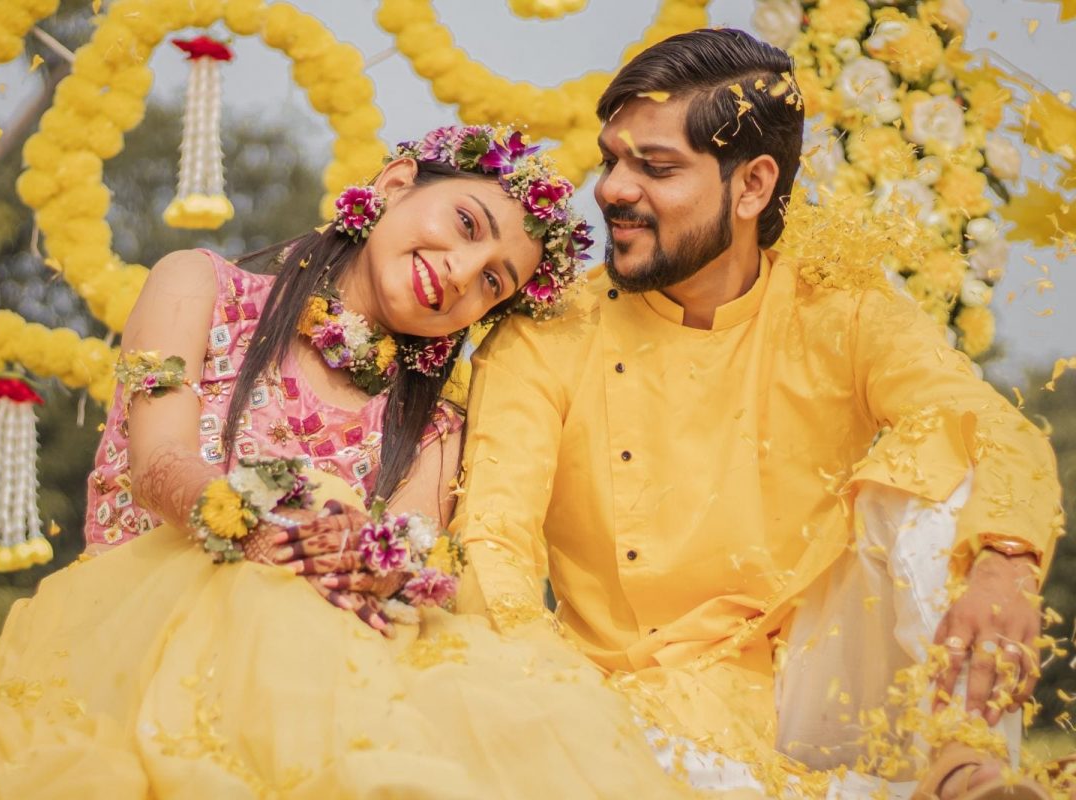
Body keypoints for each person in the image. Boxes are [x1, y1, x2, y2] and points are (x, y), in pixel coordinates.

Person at [0, 125, 691, 799]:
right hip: (129, 633)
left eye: (492, 283)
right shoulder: (196, 286)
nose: (460, 274)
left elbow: (404, 554)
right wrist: (263, 526)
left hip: (319, 680)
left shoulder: (437, 428)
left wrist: (372, 566)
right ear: (399, 181)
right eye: (468, 226)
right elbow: (156, 463)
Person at [452, 29, 1065, 800]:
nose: (611, 188)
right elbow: (492, 541)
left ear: (752, 187)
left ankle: (964, 762)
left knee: (945, 464)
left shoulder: (837, 302)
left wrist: (1006, 563)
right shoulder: (548, 335)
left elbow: (988, 425)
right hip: (634, 697)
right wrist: (543, 693)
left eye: (657, 167)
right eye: (613, 158)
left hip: (823, 677)